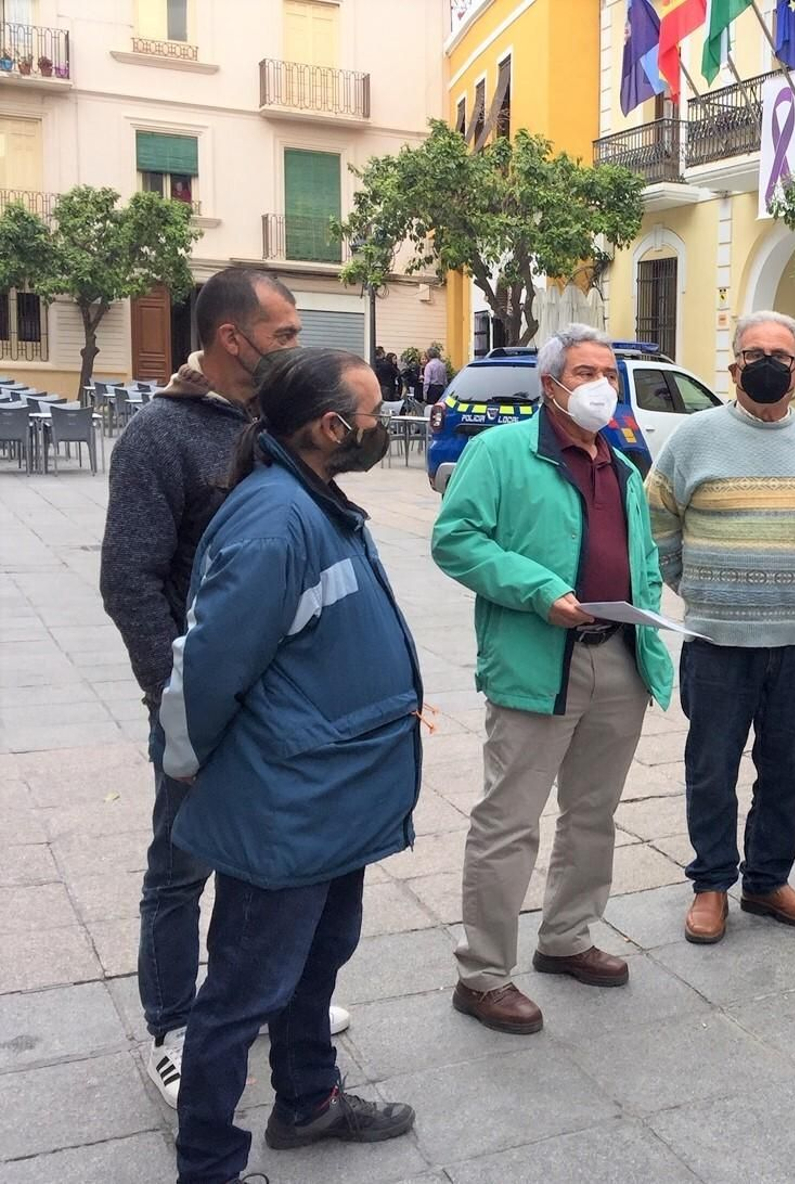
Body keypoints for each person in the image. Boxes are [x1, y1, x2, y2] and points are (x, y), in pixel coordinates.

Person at [159, 347, 421, 1183]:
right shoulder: (275, 519)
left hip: (333, 793)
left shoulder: (312, 497)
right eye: (374, 416)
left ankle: (309, 1101)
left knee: (319, 960)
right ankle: (208, 1166)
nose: (383, 428)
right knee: (239, 998)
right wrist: (186, 758)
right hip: (288, 803)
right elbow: (208, 666)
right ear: (329, 427)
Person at [98, 267, 353, 1109]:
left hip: (287, 707)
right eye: (284, 335)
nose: (296, 348)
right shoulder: (160, 436)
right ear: (232, 338)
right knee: (180, 867)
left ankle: (266, 997)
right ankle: (173, 1025)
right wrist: (171, 700)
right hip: (200, 702)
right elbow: (129, 580)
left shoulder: (275, 425)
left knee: (274, 860)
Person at [434, 324, 673, 1035]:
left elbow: (644, 559)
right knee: (508, 823)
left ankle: (567, 937)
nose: (602, 384)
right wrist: (539, 589)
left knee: (592, 814)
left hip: (618, 657)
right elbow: (456, 539)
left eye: (608, 371)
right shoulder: (499, 453)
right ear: (551, 384)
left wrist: (648, 616)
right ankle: (481, 976)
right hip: (538, 660)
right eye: (586, 371)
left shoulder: (622, 466)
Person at [646, 311, 795, 945]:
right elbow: (659, 525)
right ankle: (711, 885)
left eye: (779, 355)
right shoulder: (694, 437)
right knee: (711, 768)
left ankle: (766, 881)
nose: (766, 364)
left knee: (786, 769)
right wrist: (701, 590)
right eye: (753, 353)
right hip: (716, 643)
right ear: (733, 366)